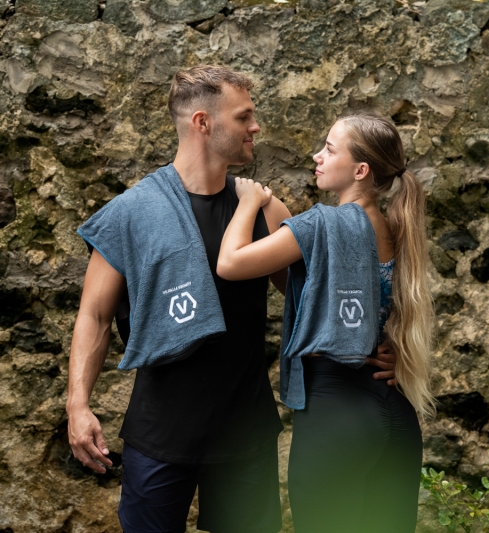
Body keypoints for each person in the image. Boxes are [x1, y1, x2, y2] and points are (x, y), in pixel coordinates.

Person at [66, 66, 396, 533]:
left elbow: (317, 297)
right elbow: (94, 316)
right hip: (160, 435)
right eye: (244, 117)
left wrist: (383, 344)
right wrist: (77, 405)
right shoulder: (131, 213)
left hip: (245, 433)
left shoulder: (265, 210)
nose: (255, 127)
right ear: (203, 123)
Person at [216, 113, 436, 533]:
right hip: (394, 412)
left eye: (330, 149)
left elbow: (230, 264)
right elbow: (324, 298)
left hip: (337, 415)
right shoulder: (394, 228)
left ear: (360, 170)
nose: (317, 156)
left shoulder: (322, 223)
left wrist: (247, 203)